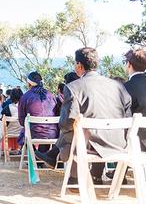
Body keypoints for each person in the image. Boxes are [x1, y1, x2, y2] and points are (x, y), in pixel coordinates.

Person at [35, 47, 132, 187]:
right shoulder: (118, 86)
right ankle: (61, 164)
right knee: (78, 129)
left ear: (79, 65)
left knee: (73, 130)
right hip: (119, 142)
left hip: (90, 144)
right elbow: (127, 115)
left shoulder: (74, 87)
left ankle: (70, 174)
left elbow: (65, 123)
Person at [17, 72, 58, 150]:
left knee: (25, 133)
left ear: (29, 84)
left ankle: (35, 156)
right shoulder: (51, 96)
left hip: (33, 133)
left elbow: (22, 121)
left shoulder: (25, 97)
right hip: (52, 133)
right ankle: (41, 155)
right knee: (44, 132)